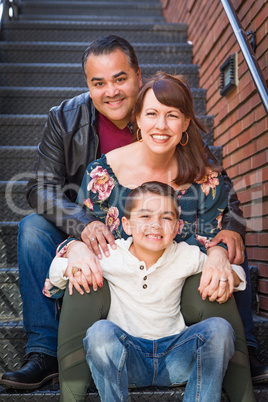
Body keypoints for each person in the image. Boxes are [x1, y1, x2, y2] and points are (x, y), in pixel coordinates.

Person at [0, 35, 263, 391]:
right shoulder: (64, 119)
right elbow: (39, 189)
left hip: (159, 231)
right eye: (98, 83)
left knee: (223, 245)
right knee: (32, 227)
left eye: (120, 78)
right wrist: (82, 226)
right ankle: (45, 352)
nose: (111, 91)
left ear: (138, 76)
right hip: (91, 224)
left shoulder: (162, 112)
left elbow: (217, 187)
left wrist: (231, 230)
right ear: (88, 86)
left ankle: (242, 345)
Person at [55, 72, 255, 402]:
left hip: (184, 300)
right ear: (137, 118)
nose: (161, 125)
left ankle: (242, 391)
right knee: (84, 279)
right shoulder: (103, 172)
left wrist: (220, 248)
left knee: (213, 278)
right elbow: (82, 227)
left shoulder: (205, 175)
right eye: (151, 113)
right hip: (119, 307)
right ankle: (71, 393)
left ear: (186, 122)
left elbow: (224, 228)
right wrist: (76, 245)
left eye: (172, 115)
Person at [49, 182, 248, 402]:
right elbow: (56, 274)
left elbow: (238, 276)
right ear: (127, 225)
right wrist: (75, 261)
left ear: (176, 227)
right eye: (145, 217)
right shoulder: (111, 255)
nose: (155, 225)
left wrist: (216, 259)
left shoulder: (185, 255)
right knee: (99, 333)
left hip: (176, 355)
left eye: (166, 217)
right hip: (127, 359)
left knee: (219, 328)